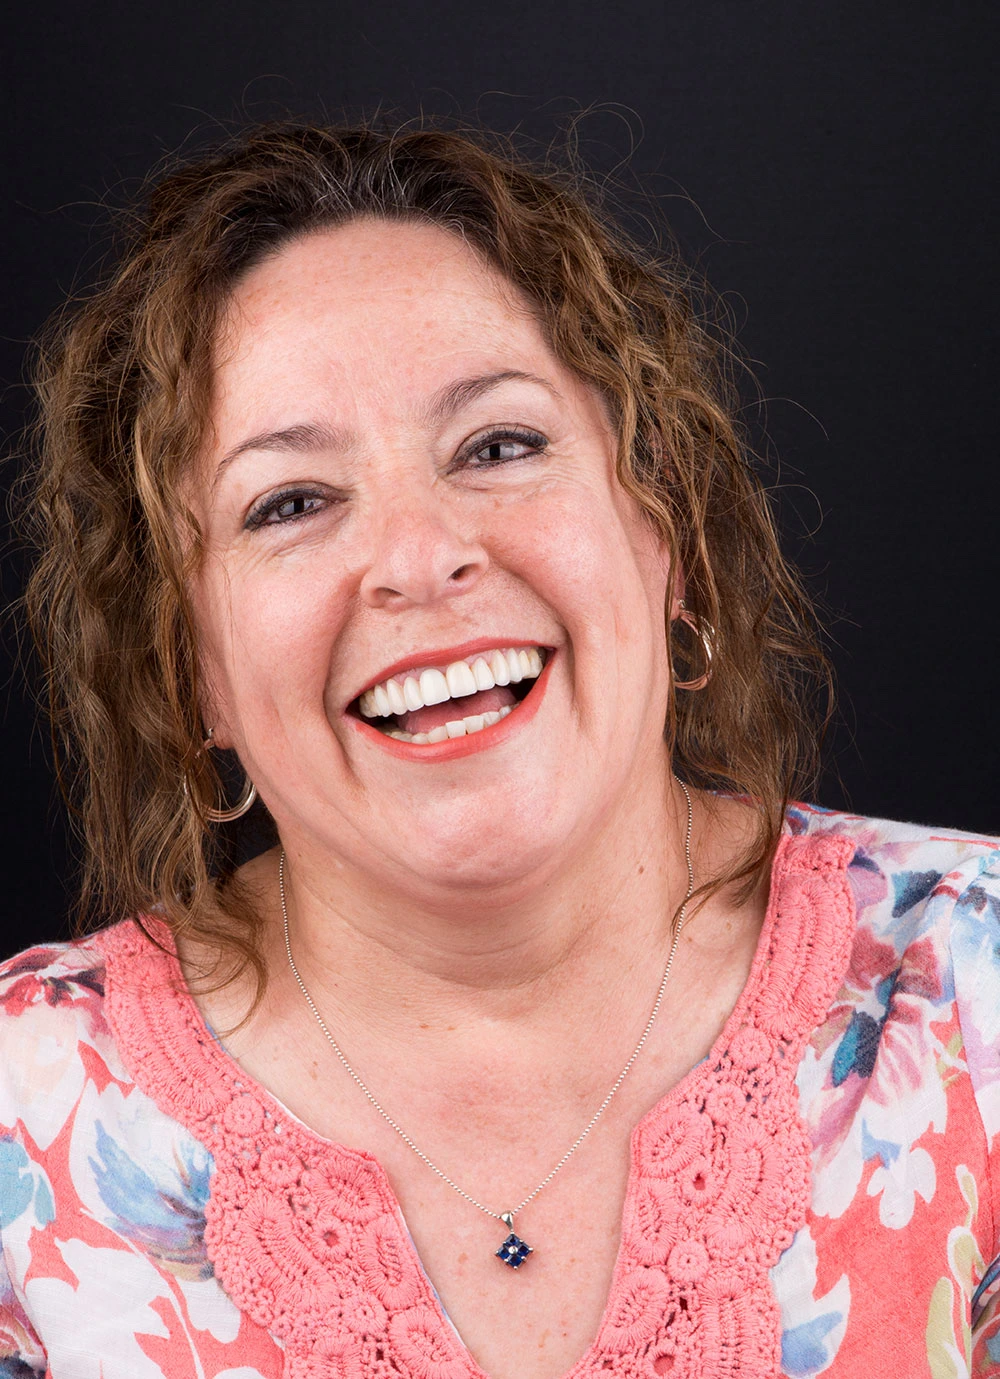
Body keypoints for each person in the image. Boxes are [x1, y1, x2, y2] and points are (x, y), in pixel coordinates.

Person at [1, 121, 997, 1379]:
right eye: (291, 501)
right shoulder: (23, 1118)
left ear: (666, 530)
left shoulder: (973, 984)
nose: (422, 557)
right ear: (186, 667)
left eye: (498, 445)